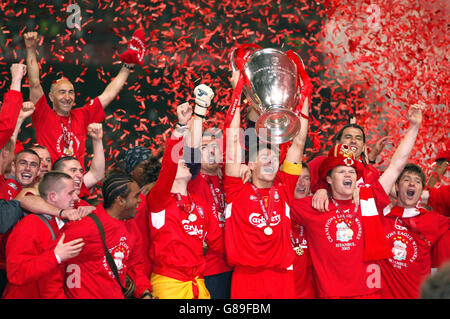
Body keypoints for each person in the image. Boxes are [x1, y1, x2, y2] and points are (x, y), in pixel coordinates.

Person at [291, 103, 423, 299]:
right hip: (330, 295)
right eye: (342, 171)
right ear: (328, 178)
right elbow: (284, 184)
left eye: (352, 172)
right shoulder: (314, 206)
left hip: (370, 293)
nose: (348, 175)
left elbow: (396, 166)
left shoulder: (368, 200)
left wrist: (414, 127)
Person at [223, 66, 310, 298]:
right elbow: (232, 140)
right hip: (246, 279)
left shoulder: (284, 187)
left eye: (274, 157)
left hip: (281, 277)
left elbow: (298, 143)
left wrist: (305, 95)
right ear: (251, 165)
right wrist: (237, 93)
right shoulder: (235, 189)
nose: (272, 160)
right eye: (265, 157)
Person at [147, 86, 225, 299]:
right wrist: (182, 125)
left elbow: (219, 242)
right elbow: (172, 161)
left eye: (185, 160)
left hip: (199, 284)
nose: (183, 162)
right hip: (168, 285)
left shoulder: (199, 203)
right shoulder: (159, 199)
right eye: (177, 159)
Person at [24, 30, 144, 167]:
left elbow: (109, 94)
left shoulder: (82, 115)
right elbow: (34, 83)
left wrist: (128, 66)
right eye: (62, 92)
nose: (67, 97)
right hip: (49, 182)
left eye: (71, 92)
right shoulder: (43, 114)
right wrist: (31, 49)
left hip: (77, 184)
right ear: (51, 97)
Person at [61, 173, 153, 299]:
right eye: (136, 196)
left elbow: (135, 265)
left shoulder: (131, 225)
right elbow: (56, 260)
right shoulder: (86, 226)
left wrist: (145, 292)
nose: (140, 200)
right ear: (120, 200)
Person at [2, 171, 85, 298]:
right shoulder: (31, 224)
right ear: (53, 196)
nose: (76, 198)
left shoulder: (64, 224)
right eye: (70, 193)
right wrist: (55, 256)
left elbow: (65, 273)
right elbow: (16, 274)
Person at [379, 163, 450, 299]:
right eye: (406, 179)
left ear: (421, 190)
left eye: (417, 181)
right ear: (396, 187)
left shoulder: (433, 221)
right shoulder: (380, 215)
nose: (412, 183)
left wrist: (431, 195)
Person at [187, 129, 233, 299]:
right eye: (205, 147)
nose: (212, 151)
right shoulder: (193, 181)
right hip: (211, 270)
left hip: (236, 266)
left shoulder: (229, 177)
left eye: (215, 146)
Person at [310, 123, 391, 212]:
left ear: (363, 146)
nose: (353, 141)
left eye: (358, 138)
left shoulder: (371, 172)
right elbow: (298, 186)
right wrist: (322, 189)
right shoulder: (319, 162)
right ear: (338, 143)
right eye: (348, 137)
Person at [291, 163, 317, 298]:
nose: (301, 183)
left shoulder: (318, 212)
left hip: (312, 293)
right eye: (296, 178)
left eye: (306, 178)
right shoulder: (277, 212)